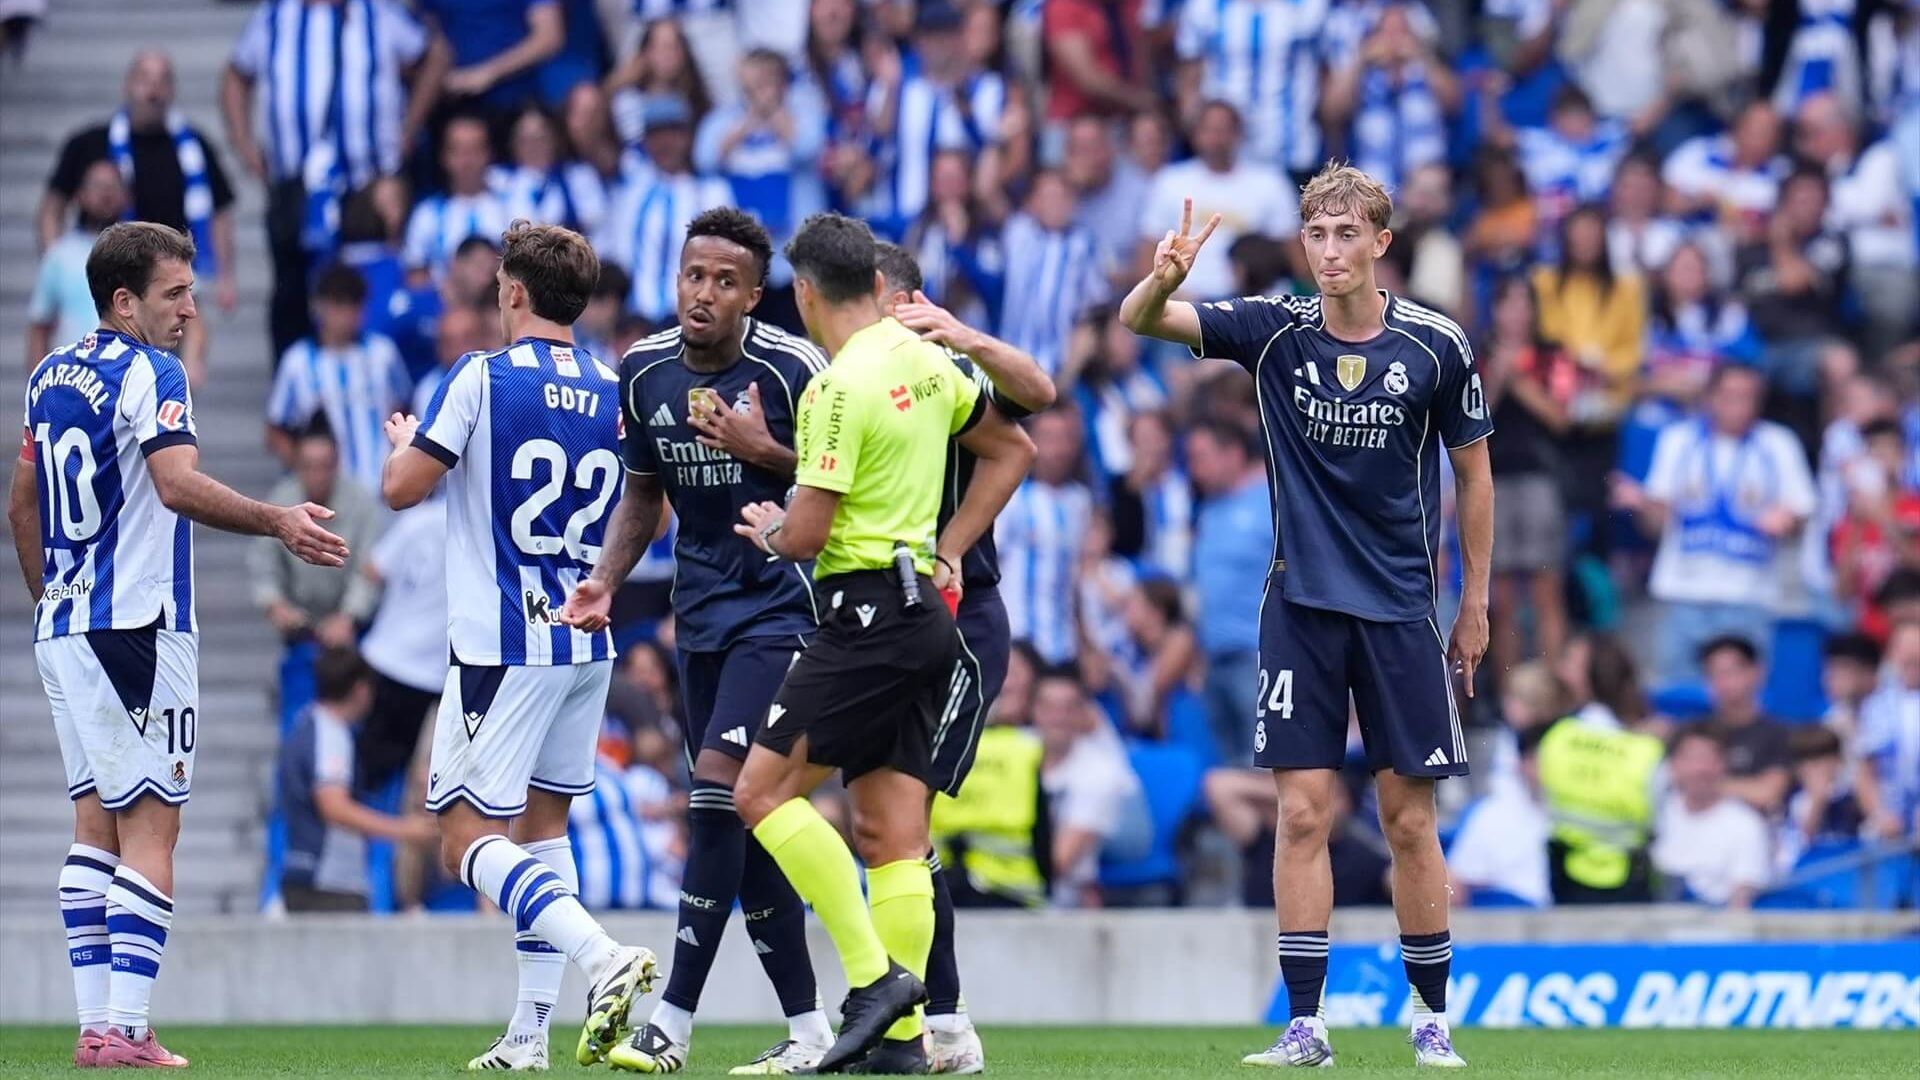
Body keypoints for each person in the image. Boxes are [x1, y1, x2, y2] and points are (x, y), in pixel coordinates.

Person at [1120, 163, 1493, 1068]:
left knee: (1408, 819)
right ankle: (1305, 1024)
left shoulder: (1437, 346)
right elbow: (1139, 321)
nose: (1329, 251)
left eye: (1345, 235)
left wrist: (1473, 601)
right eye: (1316, 235)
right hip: (1299, 606)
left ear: (1380, 243)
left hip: (1402, 608)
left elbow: (1475, 474)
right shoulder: (1273, 329)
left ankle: (1430, 1016)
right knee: (1300, 816)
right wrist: (1166, 273)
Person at [9, 222, 348, 1069]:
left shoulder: (49, 372)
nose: (191, 310)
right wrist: (276, 520)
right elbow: (175, 482)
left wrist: (52, 599)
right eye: (175, 294)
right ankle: (126, 1027)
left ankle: (97, 1028)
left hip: (66, 627)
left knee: (94, 828)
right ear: (124, 302)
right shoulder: (149, 371)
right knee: (153, 828)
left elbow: (20, 505)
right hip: (138, 630)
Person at [726, 212, 1028, 1074]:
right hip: (925, 614)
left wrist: (773, 529)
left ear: (805, 292)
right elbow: (1013, 448)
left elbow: (812, 530)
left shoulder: (834, 388)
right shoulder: (928, 361)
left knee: (759, 792)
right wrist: (952, 545)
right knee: (892, 833)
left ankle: (876, 982)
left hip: (862, 614)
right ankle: (902, 1047)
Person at [561, 208, 838, 1074]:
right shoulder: (642, 371)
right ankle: (810, 1030)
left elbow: (854, 478)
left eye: (725, 281)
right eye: (694, 276)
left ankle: (673, 1018)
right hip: (703, 618)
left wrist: (767, 449)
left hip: (787, 608)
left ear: (756, 296)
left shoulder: (797, 370)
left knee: (717, 794)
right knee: (742, 822)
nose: (705, 293)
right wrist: (606, 576)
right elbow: (643, 494)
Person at [379, 222, 658, 1072]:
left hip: (505, 643)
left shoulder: (481, 378)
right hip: (587, 637)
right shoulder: (619, 387)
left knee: (462, 843)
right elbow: (650, 508)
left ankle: (602, 956)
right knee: (543, 833)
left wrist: (404, 447)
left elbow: (399, 492)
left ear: (512, 292)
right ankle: (530, 1034)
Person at [876, 241, 1053, 1073]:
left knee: (902, 818)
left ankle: (938, 1022)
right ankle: (921, 1017)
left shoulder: (944, 366)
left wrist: (962, 335)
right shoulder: (847, 375)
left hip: (959, 618)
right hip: (874, 620)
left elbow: (1038, 398)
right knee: (880, 822)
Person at [223, 0, 447, 357]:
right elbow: (236, 74)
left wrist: (409, 129)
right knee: (294, 291)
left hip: (366, 183)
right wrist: (244, 143)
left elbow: (433, 55)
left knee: (367, 286)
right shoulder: (276, 15)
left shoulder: (378, 12)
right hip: (296, 184)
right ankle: (295, 387)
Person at [1612, 363, 1817, 684]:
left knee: (1742, 702)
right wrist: (1642, 505)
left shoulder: (1778, 443)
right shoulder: (1677, 439)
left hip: (1748, 595)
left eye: (1747, 398)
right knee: (1677, 697)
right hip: (1684, 591)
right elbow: (1656, 525)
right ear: (1710, 397)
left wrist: (1788, 521)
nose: (1738, 406)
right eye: (1729, 396)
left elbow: (1803, 512)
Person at [44, 51, 240, 382]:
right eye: (145, 79)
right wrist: (55, 261)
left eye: (163, 80)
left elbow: (219, 213)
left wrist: (225, 275)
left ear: (173, 90)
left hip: (168, 277)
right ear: (128, 85)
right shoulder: (90, 144)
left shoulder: (196, 147)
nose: (154, 90)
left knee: (163, 381)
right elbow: (52, 206)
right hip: (107, 276)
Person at [276, 646, 438, 911]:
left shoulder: (305, 725)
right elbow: (334, 807)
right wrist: (406, 830)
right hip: (329, 884)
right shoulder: (331, 736)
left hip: (304, 872)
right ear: (361, 689)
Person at [249, 423, 383, 729]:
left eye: (324, 466)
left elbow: (369, 567)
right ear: (297, 465)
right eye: (308, 466)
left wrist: (348, 616)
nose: (317, 475)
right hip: (303, 629)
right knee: (297, 722)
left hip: (352, 634)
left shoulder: (361, 502)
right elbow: (264, 563)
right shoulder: (281, 500)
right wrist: (274, 604)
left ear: (336, 465)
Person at [265, 265, 413, 495]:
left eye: (353, 305)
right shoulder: (298, 361)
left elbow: (404, 411)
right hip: (327, 494)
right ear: (319, 307)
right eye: (338, 304)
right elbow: (276, 430)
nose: (346, 314)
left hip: (382, 486)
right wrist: (308, 469)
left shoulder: (383, 354)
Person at [1187, 419, 1275, 767]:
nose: (1194, 469)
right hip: (1214, 659)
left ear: (1233, 454)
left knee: (1264, 764)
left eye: (1201, 457)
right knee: (1229, 766)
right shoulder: (1208, 510)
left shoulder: (1270, 503)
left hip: (1256, 656)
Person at [1651, 729, 1774, 908]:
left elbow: (1742, 896)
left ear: (1724, 765)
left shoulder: (1746, 823)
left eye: (1709, 759)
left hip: (1712, 928)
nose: (1700, 769)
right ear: (1673, 765)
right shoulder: (1656, 811)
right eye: (1691, 759)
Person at [28, 162, 128, 368]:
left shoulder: (143, 252)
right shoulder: (60, 255)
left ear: (126, 196)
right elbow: (40, 327)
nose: (105, 194)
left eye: (112, 187)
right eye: (98, 186)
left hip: (129, 379)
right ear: (80, 195)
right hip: (73, 378)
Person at [404, 115, 514, 285]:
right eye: (458, 151)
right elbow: (416, 277)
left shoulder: (514, 206)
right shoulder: (426, 214)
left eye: (474, 150)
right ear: (444, 157)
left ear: (489, 154)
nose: (467, 160)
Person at [1695, 635, 1795, 819]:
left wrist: (1704, 784)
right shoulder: (1696, 732)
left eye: (1730, 672)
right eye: (1713, 674)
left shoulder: (1778, 734)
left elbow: (1768, 793)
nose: (1722, 683)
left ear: (1756, 672)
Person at [1853, 620, 1920, 842]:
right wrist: (1880, 815)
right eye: (1905, 648)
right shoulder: (1876, 707)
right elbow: (1864, 772)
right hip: (1889, 826)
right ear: (1892, 654)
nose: (1913, 656)